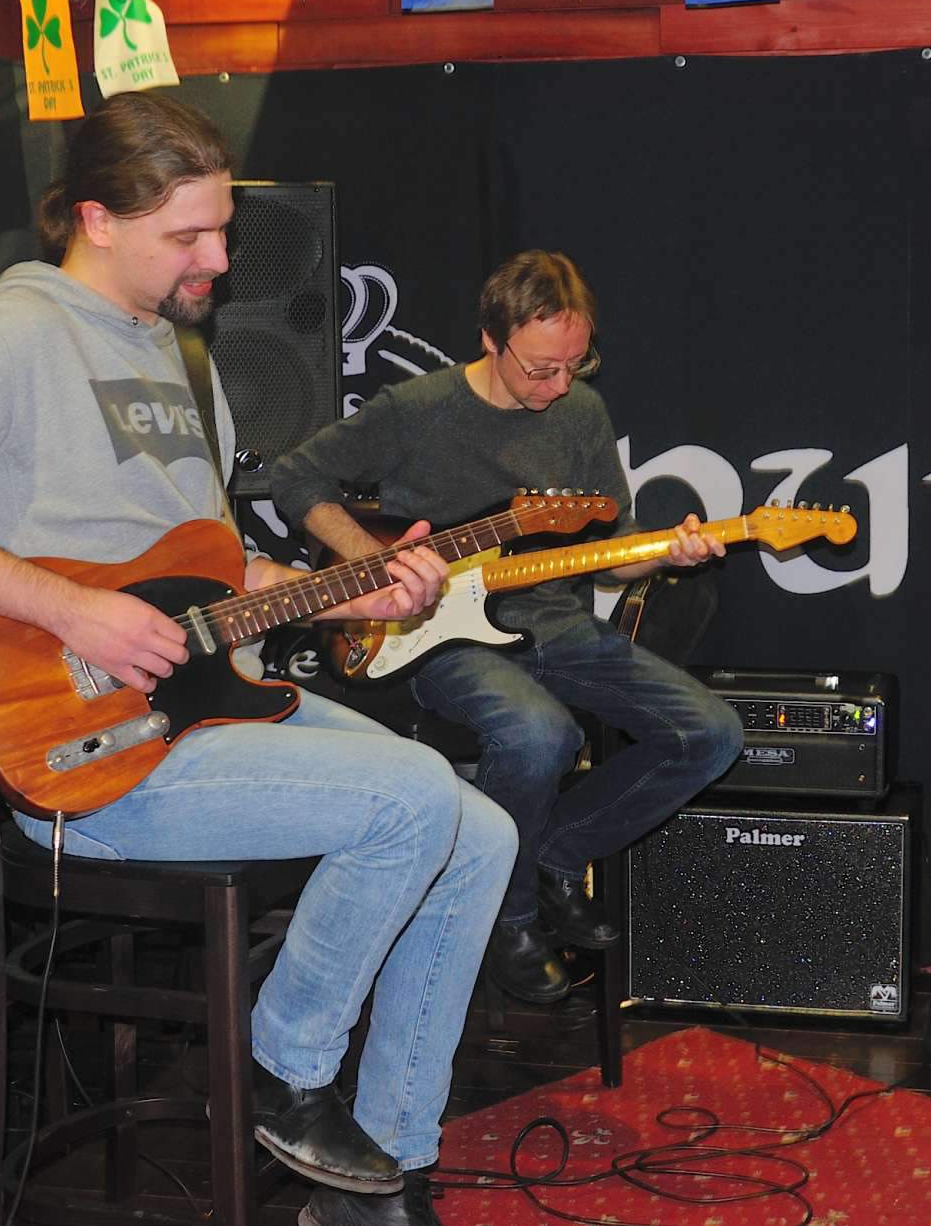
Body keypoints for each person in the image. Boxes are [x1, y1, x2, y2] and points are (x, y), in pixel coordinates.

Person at [0, 91, 511, 1226]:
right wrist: (69, 610)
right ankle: (280, 1068)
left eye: (221, 229)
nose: (218, 260)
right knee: (413, 795)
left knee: (482, 832)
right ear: (95, 218)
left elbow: (208, 578)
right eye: (189, 235)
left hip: (203, 708)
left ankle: (381, 1179)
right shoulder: (11, 335)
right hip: (88, 752)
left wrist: (351, 588)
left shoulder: (182, 356)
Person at [272, 250, 744, 1004]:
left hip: (554, 623)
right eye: (541, 369)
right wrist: (374, 564)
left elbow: (609, 556)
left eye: (575, 366)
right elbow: (295, 476)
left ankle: (552, 855)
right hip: (437, 632)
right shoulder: (417, 408)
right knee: (539, 734)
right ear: (490, 340)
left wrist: (667, 554)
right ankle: (509, 916)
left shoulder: (580, 413)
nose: (559, 386)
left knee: (711, 734)